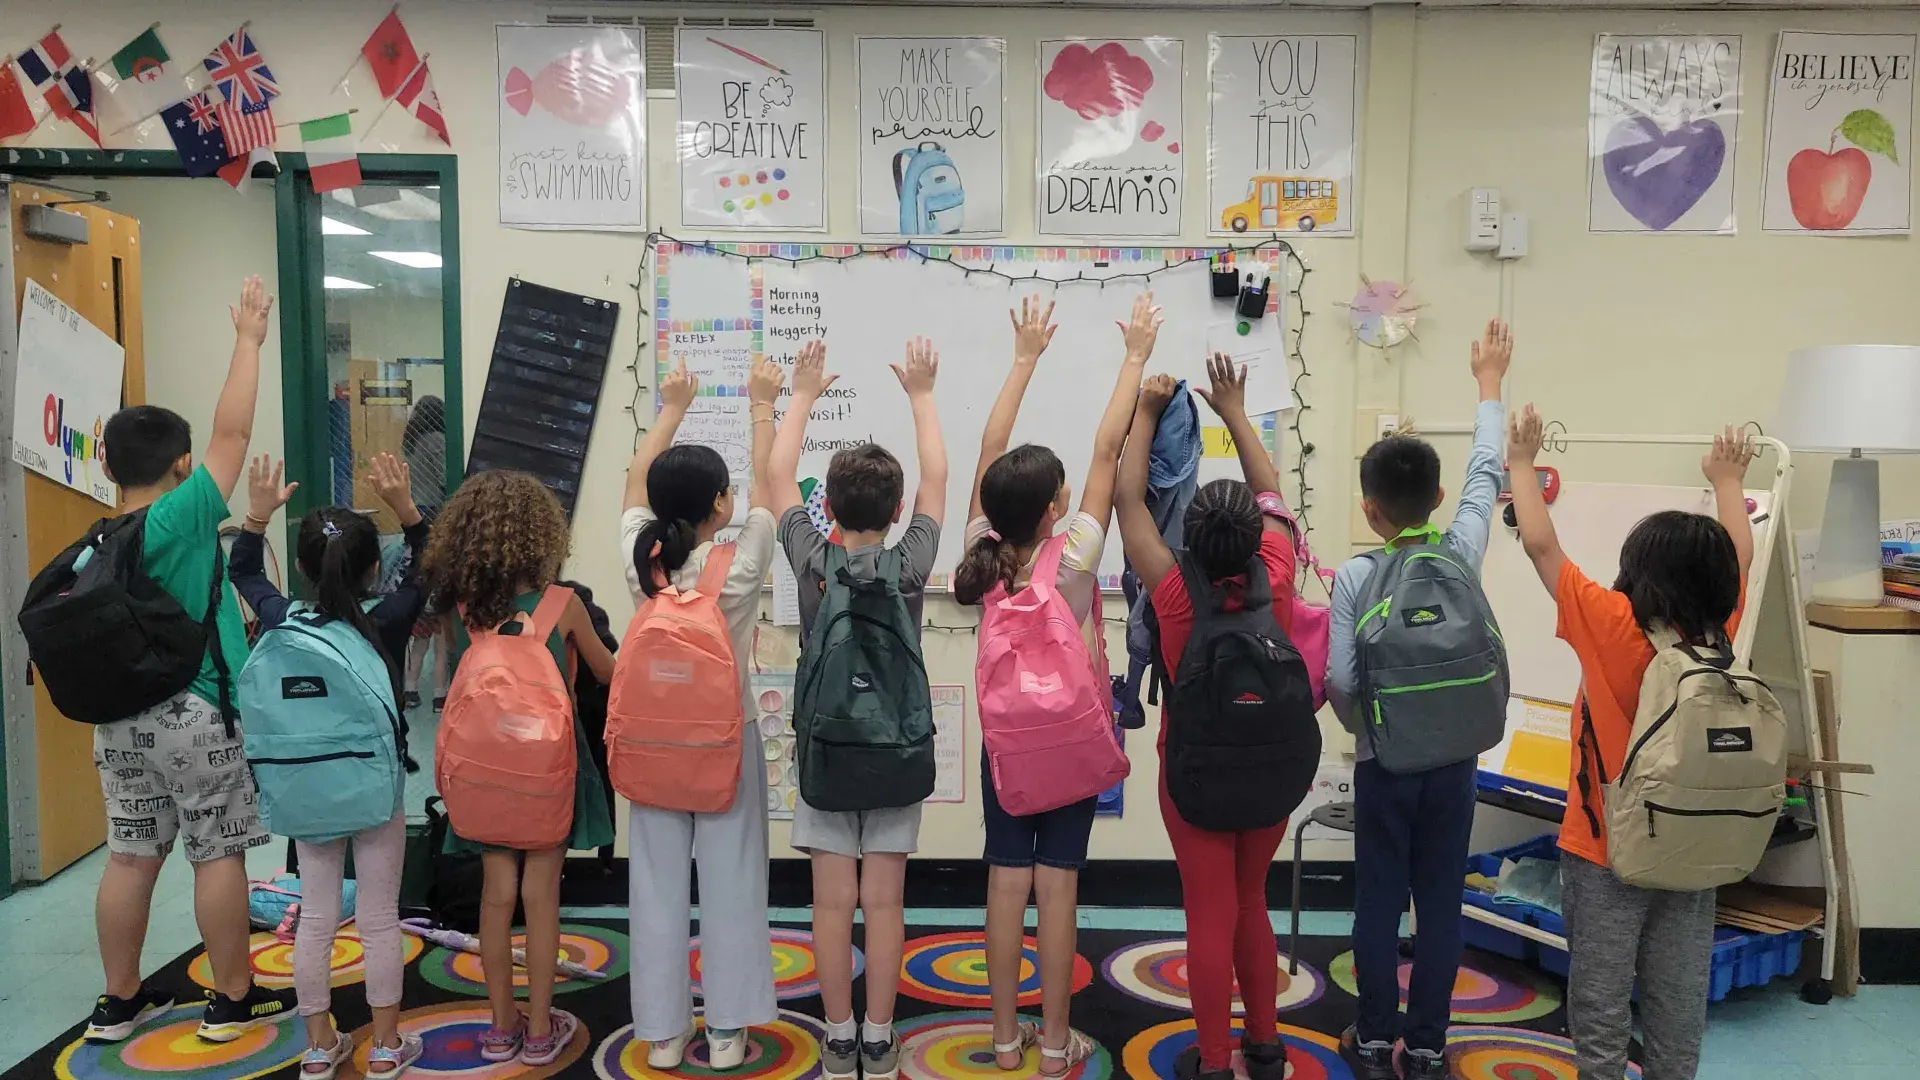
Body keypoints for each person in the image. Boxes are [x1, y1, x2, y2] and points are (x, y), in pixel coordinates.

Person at [1508, 407, 1756, 1080]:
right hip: (1695, 843)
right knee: (1678, 1002)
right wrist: (1728, 479)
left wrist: (1523, 462)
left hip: (1606, 848)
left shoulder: (1612, 622)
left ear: (1638, 569)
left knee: (1601, 1001)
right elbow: (1741, 550)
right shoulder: (1718, 630)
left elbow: (1539, 545)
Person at [83, 277, 298, 1043]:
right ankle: (233, 999)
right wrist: (247, 340)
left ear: (110, 468)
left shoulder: (99, 539)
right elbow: (233, 438)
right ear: (178, 465)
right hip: (196, 712)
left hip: (118, 723)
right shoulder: (177, 516)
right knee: (218, 851)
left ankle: (118, 1002)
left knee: (131, 856)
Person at [952, 293, 1157, 1077]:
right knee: (1059, 888)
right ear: (1054, 507)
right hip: (1074, 739)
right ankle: (1056, 1043)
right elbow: (1108, 453)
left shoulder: (985, 554)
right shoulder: (1072, 557)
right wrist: (1134, 357)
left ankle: (1005, 1041)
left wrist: (1024, 361)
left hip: (1007, 750)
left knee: (1006, 882)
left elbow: (990, 444)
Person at [1326, 319, 1511, 1080]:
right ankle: (1428, 1048)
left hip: (1385, 762)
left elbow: (1339, 682)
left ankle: (1372, 1040)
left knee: (1378, 901)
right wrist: (1489, 384)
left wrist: (1370, 731)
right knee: (1440, 904)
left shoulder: (1355, 577)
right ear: (1435, 498)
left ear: (1370, 509)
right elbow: (1485, 475)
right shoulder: (1461, 549)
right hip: (1456, 762)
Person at [1114, 357, 1303, 1080]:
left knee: (1208, 910)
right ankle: (1266, 1045)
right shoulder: (1279, 570)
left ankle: (1215, 1062)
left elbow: (1130, 500)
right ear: (1258, 534)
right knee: (1251, 899)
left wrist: (1148, 411)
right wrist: (1232, 408)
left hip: (1191, 773)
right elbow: (1272, 488)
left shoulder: (1171, 587)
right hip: (1272, 770)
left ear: (1188, 535)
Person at [769, 339, 946, 1080]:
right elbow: (938, 475)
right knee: (886, 900)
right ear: (898, 509)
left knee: (832, 903)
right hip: (897, 751)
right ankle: (880, 1035)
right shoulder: (909, 565)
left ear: (828, 508)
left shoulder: (813, 561)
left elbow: (777, 473)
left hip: (828, 751)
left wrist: (803, 390)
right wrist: (922, 394)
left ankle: (838, 1038)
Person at [232, 453, 428, 1078]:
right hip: (375, 789)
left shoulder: (281, 618)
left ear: (301, 568)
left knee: (316, 916)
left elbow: (241, 570)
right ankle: (389, 1046)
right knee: (376, 917)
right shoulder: (386, 622)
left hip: (304, 789)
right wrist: (407, 511)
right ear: (375, 567)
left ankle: (320, 1046)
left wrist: (258, 516)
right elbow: (429, 570)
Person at [622, 356, 786, 1071]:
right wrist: (763, 404)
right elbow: (772, 490)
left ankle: (661, 1034)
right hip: (728, 738)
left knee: (655, 883)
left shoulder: (640, 560)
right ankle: (726, 1032)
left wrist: (672, 408)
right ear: (722, 503)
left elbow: (635, 482)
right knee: (734, 881)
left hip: (650, 745)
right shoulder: (742, 560)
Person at [421, 469, 617, 1065]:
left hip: (484, 766)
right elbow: (611, 675)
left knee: (496, 893)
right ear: (543, 536)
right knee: (542, 894)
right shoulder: (565, 605)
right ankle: (539, 1031)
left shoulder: (464, 610)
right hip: (549, 766)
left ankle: (501, 1027)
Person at [402, 396, 450, 710]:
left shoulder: (413, 441)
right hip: (435, 510)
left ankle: (410, 689)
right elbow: (448, 478)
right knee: (442, 620)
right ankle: (440, 694)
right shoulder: (436, 440)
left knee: (420, 623)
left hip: (416, 510)